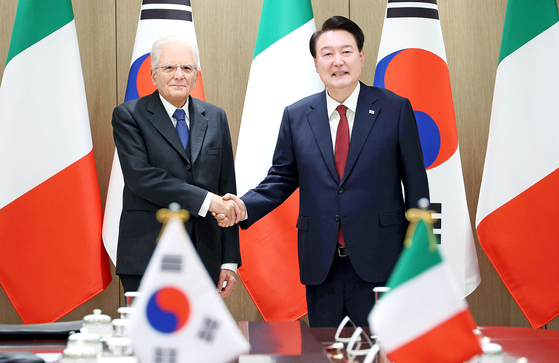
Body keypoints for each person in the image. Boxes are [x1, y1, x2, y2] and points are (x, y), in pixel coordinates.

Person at [217, 16, 429, 326]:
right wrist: (243, 206)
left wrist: (418, 257)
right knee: (324, 352)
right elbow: (281, 178)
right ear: (316, 63)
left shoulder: (394, 109)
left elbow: (417, 186)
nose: (338, 61)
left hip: (382, 260)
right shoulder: (297, 115)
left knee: (378, 351)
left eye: (346, 51)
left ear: (361, 57)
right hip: (321, 262)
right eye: (327, 54)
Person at [112, 35, 241, 296]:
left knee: (200, 337)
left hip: (205, 255)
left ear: (196, 75)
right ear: (153, 75)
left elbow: (227, 187)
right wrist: (207, 201)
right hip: (147, 252)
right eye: (169, 67)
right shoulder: (129, 115)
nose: (179, 75)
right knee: (150, 337)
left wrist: (229, 260)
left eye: (187, 68)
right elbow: (141, 178)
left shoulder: (215, 116)